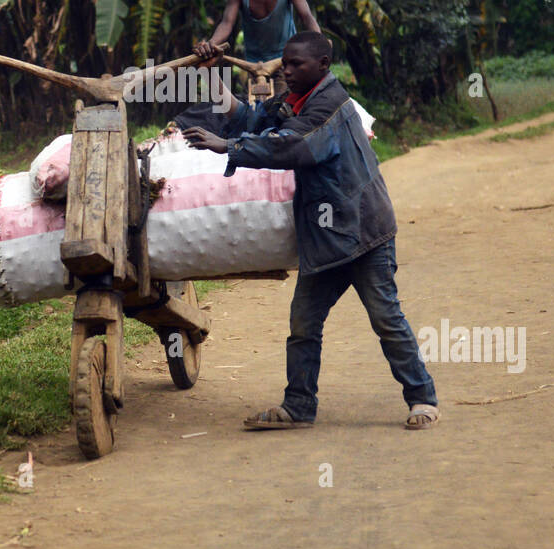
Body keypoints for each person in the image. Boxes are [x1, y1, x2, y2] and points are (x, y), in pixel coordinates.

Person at [181, 32, 439, 431]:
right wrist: (210, 72)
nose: (286, 69)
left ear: (322, 66)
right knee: (303, 324)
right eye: (284, 62)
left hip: (364, 233)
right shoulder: (293, 100)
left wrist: (227, 147)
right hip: (326, 238)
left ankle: (422, 398)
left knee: (386, 318)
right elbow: (249, 118)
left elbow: (291, 147)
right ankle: (299, 406)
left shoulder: (328, 107)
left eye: (295, 64)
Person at [194, 0, 320, 95]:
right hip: (254, 64)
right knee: (257, 107)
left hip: (285, 58)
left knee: (284, 104)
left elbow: (307, 16)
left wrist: (319, 41)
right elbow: (226, 23)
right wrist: (211, 44)